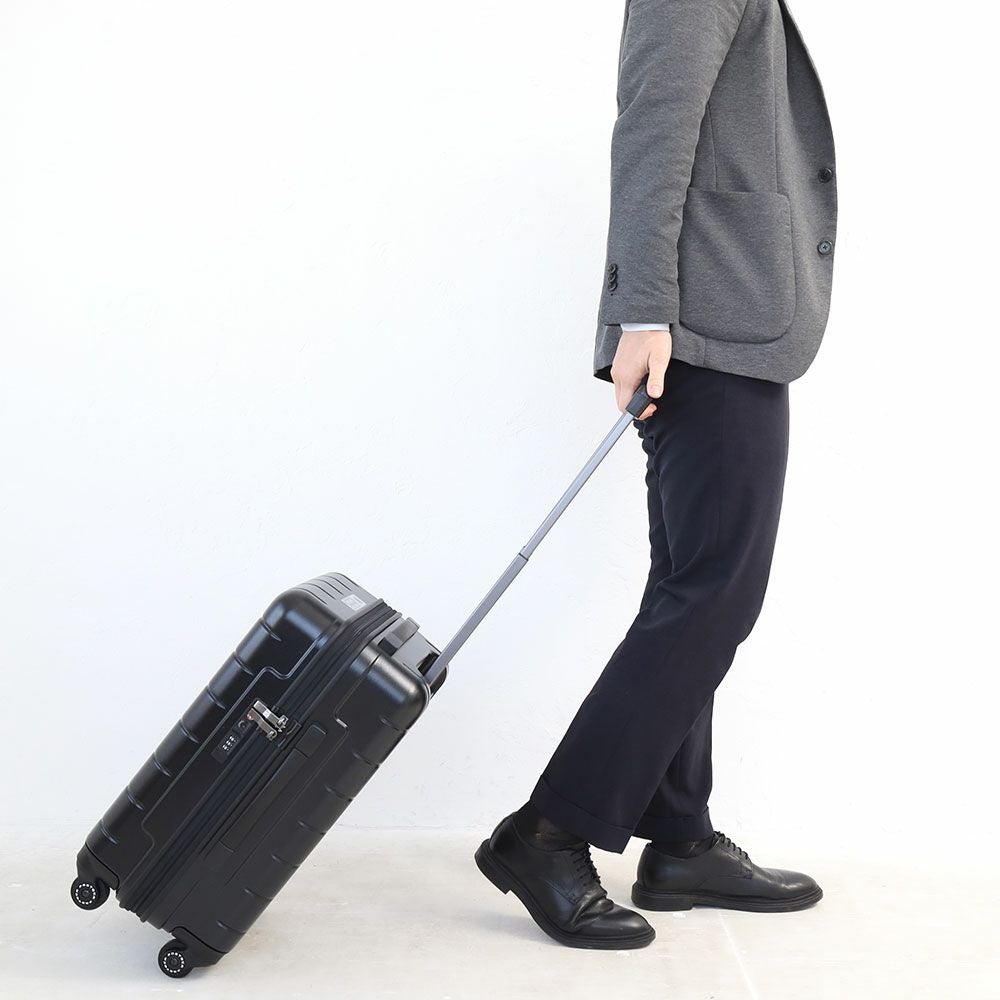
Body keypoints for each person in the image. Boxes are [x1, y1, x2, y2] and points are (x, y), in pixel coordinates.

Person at [474, 0, 837, 949]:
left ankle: (679, 839)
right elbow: (653, 129)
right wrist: (644, 314)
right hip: (702, 326)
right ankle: (545, 834)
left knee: (691, 587)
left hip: (718, 320)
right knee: (716, 591)